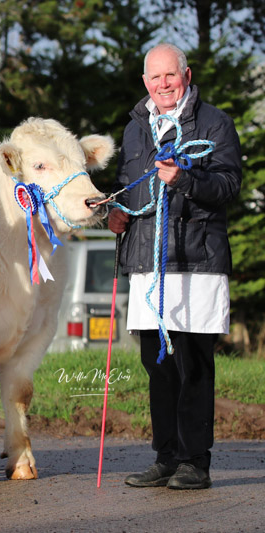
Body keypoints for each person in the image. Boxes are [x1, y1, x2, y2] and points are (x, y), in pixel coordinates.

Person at [108, 43, 242, 490]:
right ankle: (165, 457)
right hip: (148, 263)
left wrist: (185, 179)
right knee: (157, 363)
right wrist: (116, 212)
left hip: (196, 261)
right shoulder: (133, 129)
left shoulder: (215, 122)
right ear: (144, 82)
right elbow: (129, 186)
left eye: (170, 76)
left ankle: (194, 462)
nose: (163, 85)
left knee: (192, 363)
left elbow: (227, 185)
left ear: (186, 74)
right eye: (154, 78)